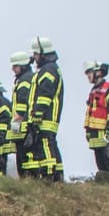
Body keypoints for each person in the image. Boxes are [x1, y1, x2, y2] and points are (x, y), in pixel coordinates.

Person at [27, 38, 66, 181]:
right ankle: (57, 174)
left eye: (36, 54)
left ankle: (49, 175)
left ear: (43, 53)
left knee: (45, 144)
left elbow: (45, 94)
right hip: (47, 116)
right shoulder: (48, 68)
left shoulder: (48, 70)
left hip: (46, 117)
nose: (34, 57)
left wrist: (37, 113)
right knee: (50, 144)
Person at [83, 60, 109, 182]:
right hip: (97, 138)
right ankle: (106, 187)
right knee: (101, 166)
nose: (88, 76)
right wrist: (88, 131)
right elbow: (91, 113)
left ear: (98, 73)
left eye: (89, 73)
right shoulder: (93, 91)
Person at [8, 50, 38, 179]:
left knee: (24, 155)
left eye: (15, 66)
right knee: (21, 155)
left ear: (23, 65)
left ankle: (27, 179)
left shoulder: (25, 79)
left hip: (23, 124)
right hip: (23, 124)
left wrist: (18, 118)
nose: (13, 69)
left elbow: (23, 101)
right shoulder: (23, 78)